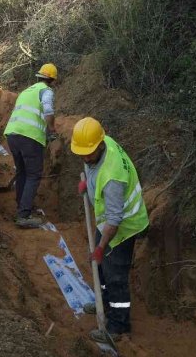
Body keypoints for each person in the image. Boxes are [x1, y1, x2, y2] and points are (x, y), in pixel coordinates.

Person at [71, 117, 149, 344]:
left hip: (123, 227)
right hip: (108, 223)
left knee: (116, 277)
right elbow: (91, 163)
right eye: (81, 153)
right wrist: (89, 184)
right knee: (103, 269)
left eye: (89, 153)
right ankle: (102, 303)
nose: (85, 158)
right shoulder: (99, 143)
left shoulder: (113, 176)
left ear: (100, 145)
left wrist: (101, 247)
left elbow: (115, 220)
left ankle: (118, 325)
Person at [3, 63, 58, 228]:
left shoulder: (27, 91)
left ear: (39, 76)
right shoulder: (46, 91)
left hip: (13, 134)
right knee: (33, 175)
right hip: (29, 137)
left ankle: (22, 207)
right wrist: (52, 129)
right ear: (52, 80)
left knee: (22, 173)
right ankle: (24, 215)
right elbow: (48, 110)